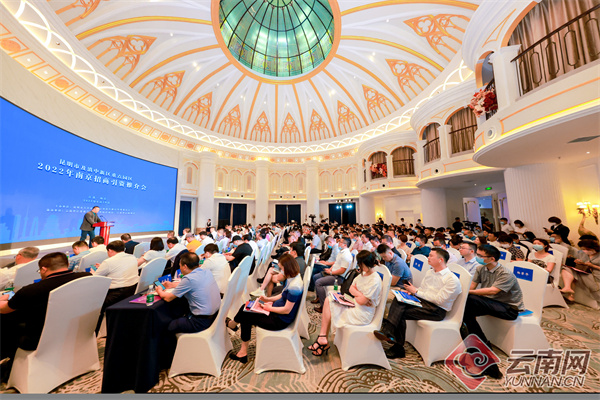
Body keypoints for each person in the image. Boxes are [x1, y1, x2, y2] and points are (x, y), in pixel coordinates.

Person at [0, 253, 91, 379]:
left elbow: (4, 309)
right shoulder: (87, 278)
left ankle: (10, 366)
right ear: (67, 264)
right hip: (78, 330)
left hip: (38, 339)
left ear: (43, 269)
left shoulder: (31, 290)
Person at [374, 248, 461, 359]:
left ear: (440, 260)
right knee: (399, 299)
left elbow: (439, 300)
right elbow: (424, 290)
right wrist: (412, 291)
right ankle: (390, 333)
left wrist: (416, 292)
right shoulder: (430, 272)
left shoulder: (451, 280)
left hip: (437, 310)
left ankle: (392, 337)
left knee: (400, 312)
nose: (428, 258)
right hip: (424, 302)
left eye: (431, 256)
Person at [227, 253, 303, 364]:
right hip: (276, 311)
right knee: (248, 305)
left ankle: (242, 351)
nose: (280, 271)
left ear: (287, 268)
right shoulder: (294, 277)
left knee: (246, 315)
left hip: (279, 321)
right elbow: (282, 295)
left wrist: (269, 308)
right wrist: (267, 299)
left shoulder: (294, 287)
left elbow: (287, 310)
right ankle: (233, 325)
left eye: (281, 269)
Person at [462, 244, 524, 371]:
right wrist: (465, 292)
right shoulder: (481, 268)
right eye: (477, 255)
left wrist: (467, 292)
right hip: (491, 303)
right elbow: (472, 286)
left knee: (469, 303)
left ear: (492, 259)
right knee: (466, 311)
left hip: (509, 308)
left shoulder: (505, 273)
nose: (477, 257)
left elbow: (492, 291)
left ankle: (479, 348)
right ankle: (481, 347)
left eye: (481, 256)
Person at [309, 250, 383, 356]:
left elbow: (361, 301)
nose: (359, 266)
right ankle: (323, 337)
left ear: (365, 263)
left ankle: (322, 339)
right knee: (329, 300)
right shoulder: (363, 274)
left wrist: (358, 295)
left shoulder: (375, 280)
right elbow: (351, 288)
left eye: (360, 264)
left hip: (363, 313)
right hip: (356, 304)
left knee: (330, 305)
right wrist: (360, 295)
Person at [156, 252, 221, 334]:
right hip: (215, 316)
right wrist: (172, 285)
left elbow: (167, 298)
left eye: (180, 266)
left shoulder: (189, 279)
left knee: (169, 326)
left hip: (201, 321)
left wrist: (159, 290)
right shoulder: (206, 271)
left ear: (185, 266)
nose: (180, 268)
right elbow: (192, 284)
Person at [91, 240, 139, 333]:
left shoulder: (108, 262)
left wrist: (93, 272)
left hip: (115, 294)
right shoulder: (132, 257)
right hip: (132, 290)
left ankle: (95, 332)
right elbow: (118, 267)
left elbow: (95, 278)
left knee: (95, 305)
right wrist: (103, 267)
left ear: (110, 250)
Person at [312, 237, 353, 313]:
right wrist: (330, 269)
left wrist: (331, 273)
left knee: (318, 282)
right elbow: (335, 263)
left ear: (345, 245)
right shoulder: (341, 252)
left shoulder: (346, 255)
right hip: (334, 273)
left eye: (340, 242)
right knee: (315, 276)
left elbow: (342, 271)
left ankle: (323, 306)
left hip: (339, 277)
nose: (338, 243)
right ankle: (319, 297)